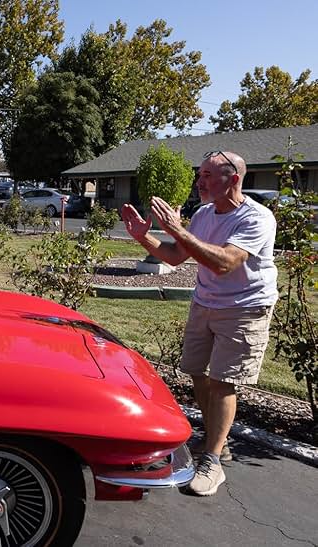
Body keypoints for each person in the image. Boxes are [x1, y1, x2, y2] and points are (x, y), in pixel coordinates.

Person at [121, 150, 277, 497]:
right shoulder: (205, 214)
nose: (199, 181)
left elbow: (225, 262)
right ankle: (217, 441)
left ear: (233, 179)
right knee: (197, 372)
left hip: (243, 308)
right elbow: (177, 257)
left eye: (207, 175)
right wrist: (143, 237)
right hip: (205, 303)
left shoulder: (257, 218)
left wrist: (178, 229)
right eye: (200, 174)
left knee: (223, 382)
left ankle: (213, 461)